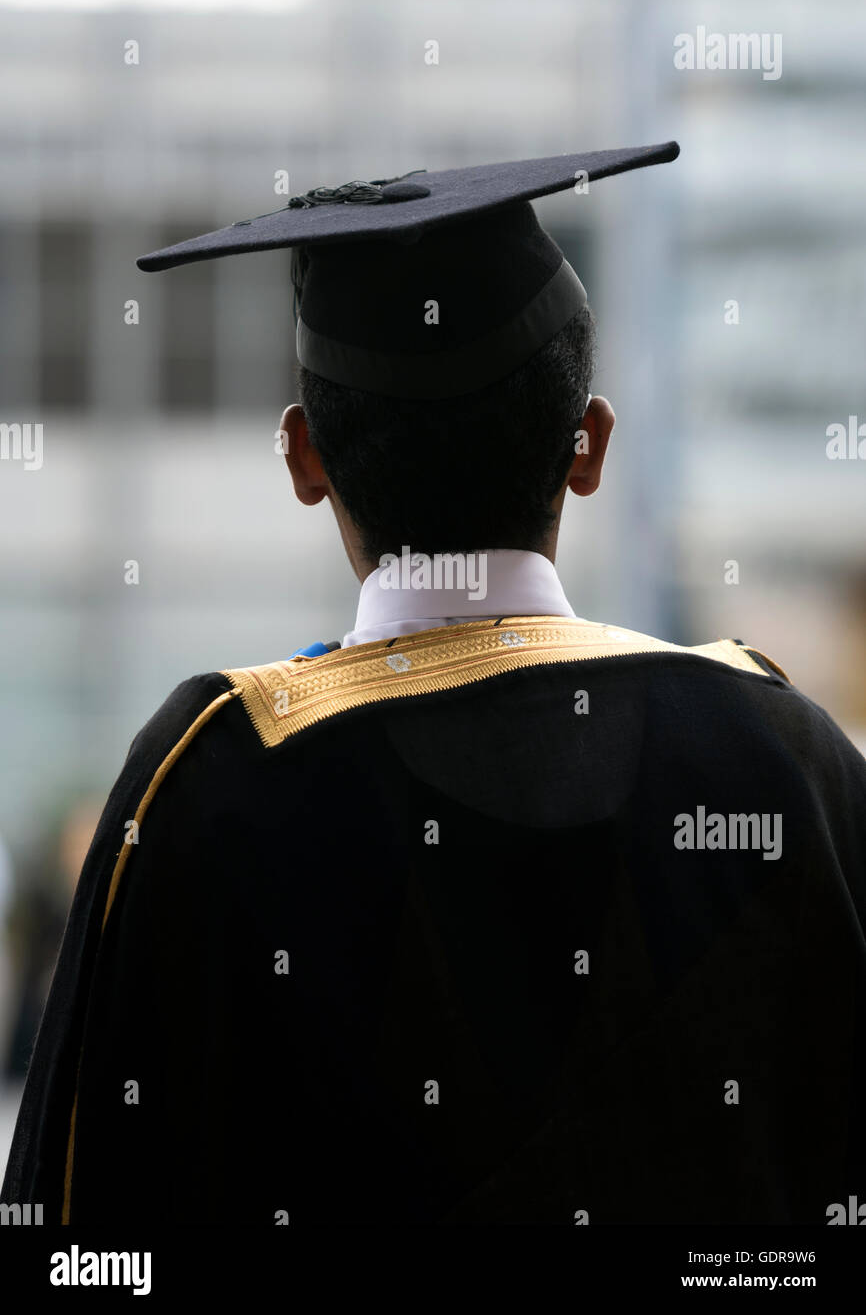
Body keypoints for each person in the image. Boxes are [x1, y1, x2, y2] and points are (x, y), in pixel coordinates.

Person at [3, 144, 865, 1226]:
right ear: (587, 445)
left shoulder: (212, 781)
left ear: (303, 459)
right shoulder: (789, 762)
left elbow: (83, 1230)